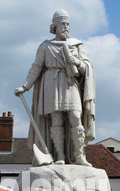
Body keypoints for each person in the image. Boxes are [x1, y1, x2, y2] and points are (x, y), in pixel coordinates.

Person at [15, 9, 95, 166]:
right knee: (56, 119)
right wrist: (25, 87)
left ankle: (79, 156)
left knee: (75, 116)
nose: (66, 27)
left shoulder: (76, 45)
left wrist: (77, 62)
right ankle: (59, 155)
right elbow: (36, 67)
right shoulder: (46, 46)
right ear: (55, 27)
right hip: (51, 82)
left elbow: (87, 68)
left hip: (70, 83)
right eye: (62, 24)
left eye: (67, 24)